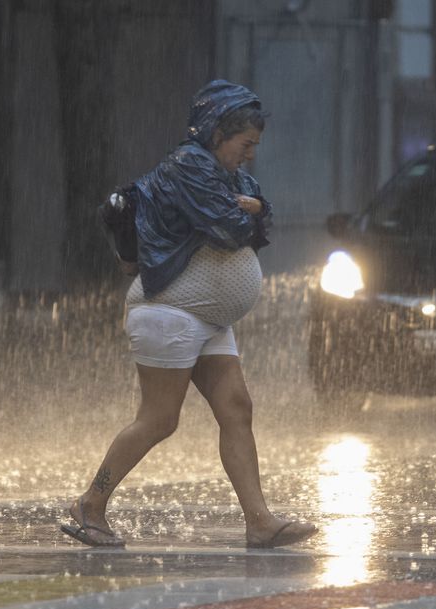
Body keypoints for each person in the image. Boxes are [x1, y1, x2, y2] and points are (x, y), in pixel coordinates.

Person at [61, 80, 318, 549]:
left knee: (237, 409)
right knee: (160, 419)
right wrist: (252, 213)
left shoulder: (225, 174)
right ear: (219, 133)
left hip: (206, 317)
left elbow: (261, 220)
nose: (251, 156)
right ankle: (89, 505)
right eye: (246, 144)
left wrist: (256, 210)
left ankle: (260, 522)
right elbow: (228, 229)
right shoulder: (189, 166)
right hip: (169, 310)